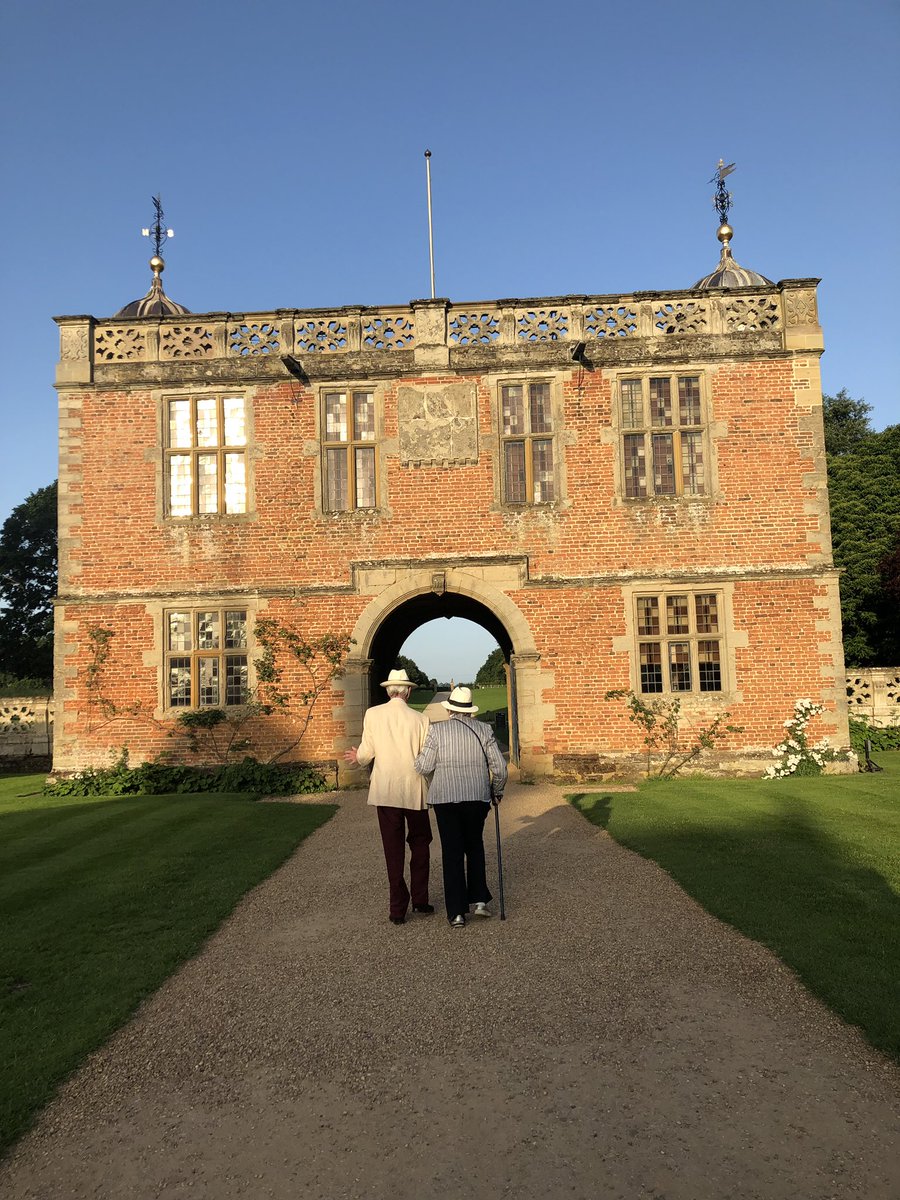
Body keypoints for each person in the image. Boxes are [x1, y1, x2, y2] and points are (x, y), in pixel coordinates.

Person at [414, 686, 507, 928]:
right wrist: (497, 791)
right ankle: (479, 901)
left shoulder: (437, 731)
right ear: (470, 710)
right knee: (474, 846)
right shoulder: (484, 729)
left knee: (452, 852)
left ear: (450, 709)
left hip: (446, 799)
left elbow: (423, 767)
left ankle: (456, 912)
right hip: (477, 798)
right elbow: (500, 767)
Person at [345, 669, 432, 926]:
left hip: (386, 790)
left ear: (388, 690)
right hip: (414, 789)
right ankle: (420, 899)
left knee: (392, 849)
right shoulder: (421, 719)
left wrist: (357, 758)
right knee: (420, 844)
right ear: (408, 691)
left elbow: (367, 751)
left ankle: (397, 908)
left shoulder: (373, 714)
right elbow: (426, 760)